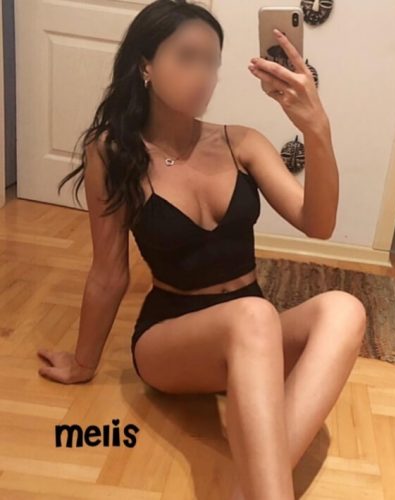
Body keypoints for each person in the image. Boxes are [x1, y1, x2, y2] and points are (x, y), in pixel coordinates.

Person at [37, 1, 366, 499]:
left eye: (212, 62)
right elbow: (108, 272)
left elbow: (318, 224)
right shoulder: (113, 152)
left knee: (344, 308)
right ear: (145, 65)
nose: (203, 76)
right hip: (170, 340)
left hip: (250, 340)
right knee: (254, 315)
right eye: (187, 57)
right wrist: (83, 363)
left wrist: (317, 130)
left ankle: (250, 491)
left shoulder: (241, 143)